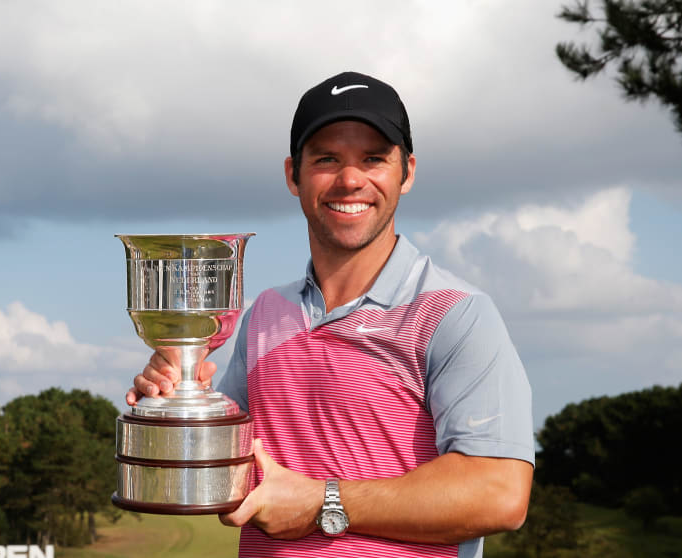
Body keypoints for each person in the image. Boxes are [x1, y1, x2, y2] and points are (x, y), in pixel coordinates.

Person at [126, 71, 534, 558]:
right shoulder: (263, 316)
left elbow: (500, 494)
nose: (350, 179)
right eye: (326, 158)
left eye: (374, 159)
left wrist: (324, 502)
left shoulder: (458, 315)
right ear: (291, 175)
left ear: (407, 173)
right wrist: (175, 395)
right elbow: (226, 474)